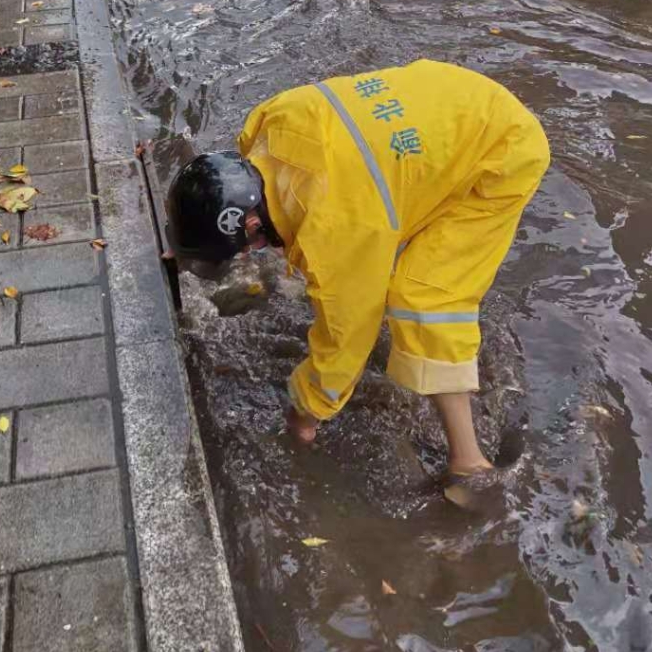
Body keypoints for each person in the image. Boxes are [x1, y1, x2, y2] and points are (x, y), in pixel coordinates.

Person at [166, 60, 549, 481]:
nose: (248, 254)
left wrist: (305, 412)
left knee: (427, 297)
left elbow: (347, 341)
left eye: (247, 246)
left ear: (251, 223)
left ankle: (468, 462)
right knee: (376, 257)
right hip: (455, 101)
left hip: (502, 152)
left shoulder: (336, 229)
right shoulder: (271, 122)